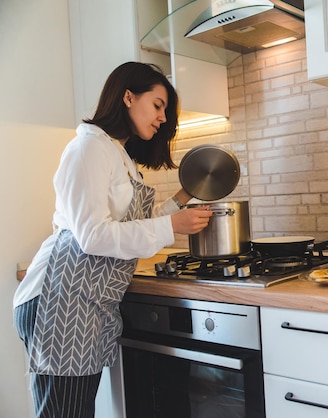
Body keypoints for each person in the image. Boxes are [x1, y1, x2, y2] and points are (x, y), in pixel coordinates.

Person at [13, 62, 212, 417]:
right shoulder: (88, 149)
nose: (163, 118)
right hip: (60, 301)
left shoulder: (117, 155)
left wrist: (183, 198)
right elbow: (93, 235)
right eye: (158, 105)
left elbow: (131, 224)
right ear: (127, 96)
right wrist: (172, 227)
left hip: (84, 302)